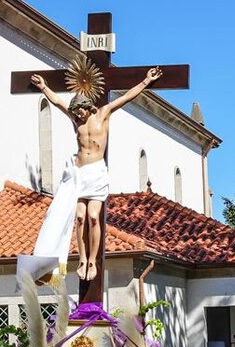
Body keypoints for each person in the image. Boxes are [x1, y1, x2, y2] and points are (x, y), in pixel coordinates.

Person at [30, 65, 163, 279]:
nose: (77, 115)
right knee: (80, 217)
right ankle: (82, 259)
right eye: (74, 113)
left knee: (93, 217)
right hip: (78, 174)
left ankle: (93, 260)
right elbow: (57, 102)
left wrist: (146, 81)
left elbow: (126, 98)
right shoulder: (76, 121)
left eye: (79, 111)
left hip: (97, 173)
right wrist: (44, 87)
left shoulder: (103, 114)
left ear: (87, 106)